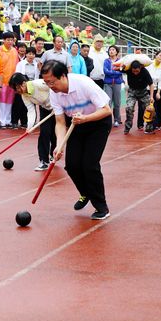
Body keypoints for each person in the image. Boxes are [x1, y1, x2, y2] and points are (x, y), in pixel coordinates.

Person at [41, 61, 113, 220]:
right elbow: (60, 122)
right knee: (72, 165)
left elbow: (106, 110)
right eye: (46, 83)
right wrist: (59, 145)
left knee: (89, 165)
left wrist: (86, 118)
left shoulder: (84, 83)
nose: (50, 86)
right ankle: (85, 193)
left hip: (98, 123)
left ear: (63, 76)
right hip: (77, 124)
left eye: (52, 82)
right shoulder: (54, 93)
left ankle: (101, 207)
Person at [9, 72, 56, 171]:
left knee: (54, 133)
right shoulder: (24, 95)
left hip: (57, 107)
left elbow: (54, 89)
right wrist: (29, 127)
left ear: (23, 83)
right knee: (44, 133)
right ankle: (44, 161)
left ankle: (53, 154)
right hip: (45, 109)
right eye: (15, 89)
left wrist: (57, 105)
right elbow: (31, 111)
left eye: (17, 88)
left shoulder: (39, 84)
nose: (17, 91)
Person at [122, 60, 154, 134]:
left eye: (137, 71)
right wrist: (122, 66)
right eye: (133, 71)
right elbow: (118, 68)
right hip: (132, 92)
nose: (135, 73)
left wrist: (151, 97)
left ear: (140, 68)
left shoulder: (145, 72)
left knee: (150, 109)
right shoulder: (128, 70)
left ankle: (149, 126)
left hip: (143, 92)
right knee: (129, 108)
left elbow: (151, 84)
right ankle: (127, 126)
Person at [0, 32, 18, 128]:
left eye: (11, 40)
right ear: (3, 40)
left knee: (10, 101)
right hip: (2, 80)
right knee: (2, 101)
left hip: (11, 81)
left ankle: (8, 120)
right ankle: (2, 121)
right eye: (8, 40)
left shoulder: (14, 51)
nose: (10, 42)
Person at [103, 45, 123, 127]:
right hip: (108, 83)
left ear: (116, 51)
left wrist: (112, 72)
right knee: (108, 102)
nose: (111, 51)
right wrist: (115, 72)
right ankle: (108, 120)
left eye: (113, 50)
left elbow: (121, 71)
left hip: (117, 83)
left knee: (117, 103)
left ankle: (117, 120)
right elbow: (105, 71)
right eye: (110, 50)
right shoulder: (106, 61)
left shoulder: (120, 61)